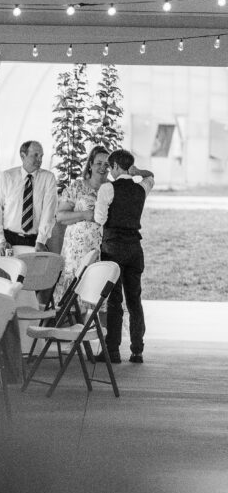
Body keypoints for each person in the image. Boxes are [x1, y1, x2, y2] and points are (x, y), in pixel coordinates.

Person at [93, 150, 155, 364]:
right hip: (135, 249)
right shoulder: (141, 188)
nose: (109, 171)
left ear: (117, 167)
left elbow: (99, 219)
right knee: (134, 299)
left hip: (113, 249)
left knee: (115, 301)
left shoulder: (107, 188)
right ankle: (137, 350)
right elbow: (151, 176)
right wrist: (138, 171)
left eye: (111, 167)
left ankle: (112, 351)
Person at [55, 146, 110, 297]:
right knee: (73, 295)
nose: (102, 168)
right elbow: (60, 216)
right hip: (77, 252)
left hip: (103, 250)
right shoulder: (77, 187)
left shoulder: (112, 189)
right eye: (99, 163)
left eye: (107, 164)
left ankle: (95, 321)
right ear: (90, 164)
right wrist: (84, 215)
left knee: (99, 294)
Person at [0, 140, 58, 253]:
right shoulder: (6, 177)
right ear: (22, 155)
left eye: (41, 156)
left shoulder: (48, 178)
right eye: (35, 155)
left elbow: (49, 212)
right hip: (8, 240)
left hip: (35, 241)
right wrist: (0, 240)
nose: (39, 160)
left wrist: (41, 241)